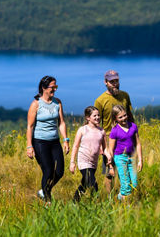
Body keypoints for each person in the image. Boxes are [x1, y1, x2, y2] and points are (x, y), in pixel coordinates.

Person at [26, 75, 70, 203]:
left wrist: (65, 140)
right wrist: (29, 146)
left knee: (60, 171)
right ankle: (48, 201)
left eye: (56, 86)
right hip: (40, 142)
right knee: (48, 170)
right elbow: (30, 126)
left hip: (54, 141)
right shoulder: (36, 104)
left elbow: (61, 123)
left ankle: (43, 191)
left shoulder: (58, 102)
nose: (55, 89)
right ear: (44, 88)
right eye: (52, 87)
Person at [94, 70, 135, 193]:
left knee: (127, 169)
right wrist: (101, 144)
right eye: (111, 82)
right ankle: (109, 199)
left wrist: (134, 133)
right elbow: (96, 123)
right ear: (105, 82)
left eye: (116, 81)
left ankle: (126, 195)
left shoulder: (125, 96)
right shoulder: (100, 100)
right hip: (109, 140)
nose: (115, 84)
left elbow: (130, 115)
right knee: (109, 173)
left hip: (126, 138)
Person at [69, 106, 109, 201]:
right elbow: (75, 146)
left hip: (93, 162)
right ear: (88, 118)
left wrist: (109, 157)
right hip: (83, 161)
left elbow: (105, 148)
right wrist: (72, 162)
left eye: (98, 115)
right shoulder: (83, 130)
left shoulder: (101, 131)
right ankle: (98, 204)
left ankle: (75, 201)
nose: (97, 117)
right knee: (93, 183)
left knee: (85, 184)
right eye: (94, 116)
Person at [108, 105, 142, 200]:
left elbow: (138, 144)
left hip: (132, 157)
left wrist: (140, 160)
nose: (124, 118)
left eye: (125, 115)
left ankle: (119, 198)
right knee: (126, 184)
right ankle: (124, 205)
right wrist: (110, 165)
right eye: (120, 117)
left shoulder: (133, 126)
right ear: (115, 118)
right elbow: (111, 149)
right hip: (120, 158)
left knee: (134, 184)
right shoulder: (114, 131)